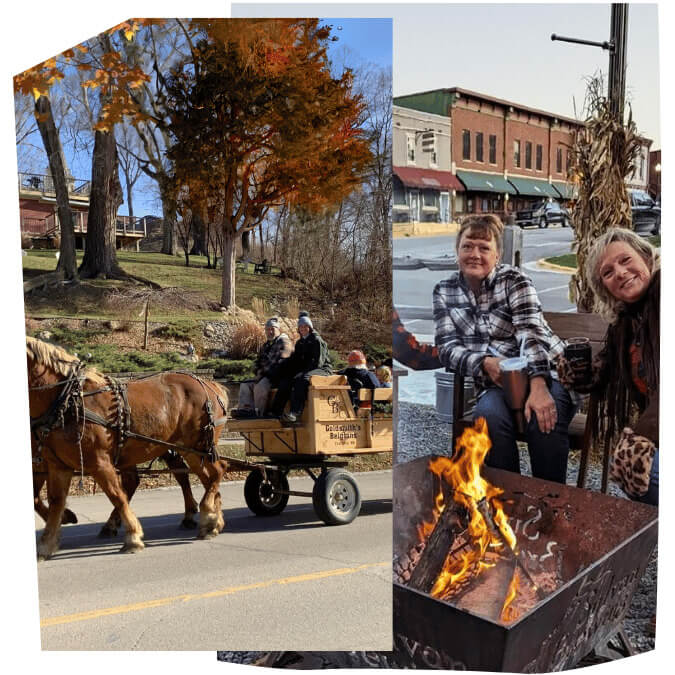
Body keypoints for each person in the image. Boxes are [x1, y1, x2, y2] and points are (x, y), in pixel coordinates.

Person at [433, 214, 576, 484]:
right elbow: (446, 347)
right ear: (457, 251)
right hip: (495, 385)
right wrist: (484, 362)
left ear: (497, 255)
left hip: (547, 373)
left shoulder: (515, 281)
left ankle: (551, 502)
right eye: (468, 246)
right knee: (487, 417)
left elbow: (531, 334)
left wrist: (538, 386)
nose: (475, 254)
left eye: (484, 248)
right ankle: (510, 503)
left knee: (544, 415)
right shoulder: (444, 291)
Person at [557, 228, 659, 506]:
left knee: (637, 464)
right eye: (608, 272)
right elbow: (604, 370)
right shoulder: (626, 322)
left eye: (626, 260)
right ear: (604, 287)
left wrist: (644, 436)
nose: (621, 272)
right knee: (629, 464)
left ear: (647, 257)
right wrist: (578, 374)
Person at [271, 314, 332, 423]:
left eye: (305, 326)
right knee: (286, 382)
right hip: (306, 370)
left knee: (302, 380)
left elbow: (318, 362)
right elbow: (295, 361)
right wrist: (282, 365)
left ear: (310, 327)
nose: (303, 329)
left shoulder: (317, 340)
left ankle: (295, 413)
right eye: (301, 327)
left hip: (322, 369)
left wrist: (303, 372)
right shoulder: (300, 342)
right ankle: (276, 412)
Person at [233, 317, 293, 417]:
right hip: (266, 376)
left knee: (260, 386)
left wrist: (261, 374)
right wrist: (257, 372)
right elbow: (258, 362)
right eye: (267, 329)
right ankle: (246, 410)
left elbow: (279, 363)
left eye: (272, 329)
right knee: (245, 384)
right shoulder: (267, 345)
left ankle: (258, 413)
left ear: (278, 329)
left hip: (278, 378)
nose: (270, 332)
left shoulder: (284, 342)